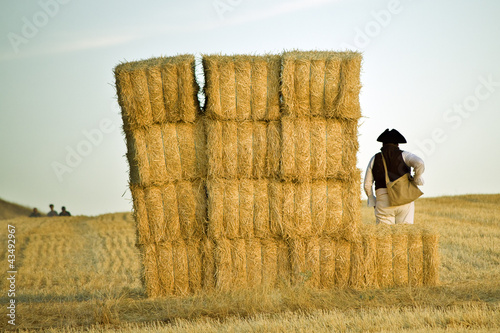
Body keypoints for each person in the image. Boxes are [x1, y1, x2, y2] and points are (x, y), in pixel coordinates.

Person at [364, 129, 425, 225]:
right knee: (404, 234)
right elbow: (420, 163)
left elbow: (367, 185)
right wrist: (417, 178)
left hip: (383, 201)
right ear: (397, 144)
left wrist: (373, 200)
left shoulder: (375, 158)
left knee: (384, 236)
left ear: (382, 144)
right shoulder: (404, 155)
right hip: (404, 199)